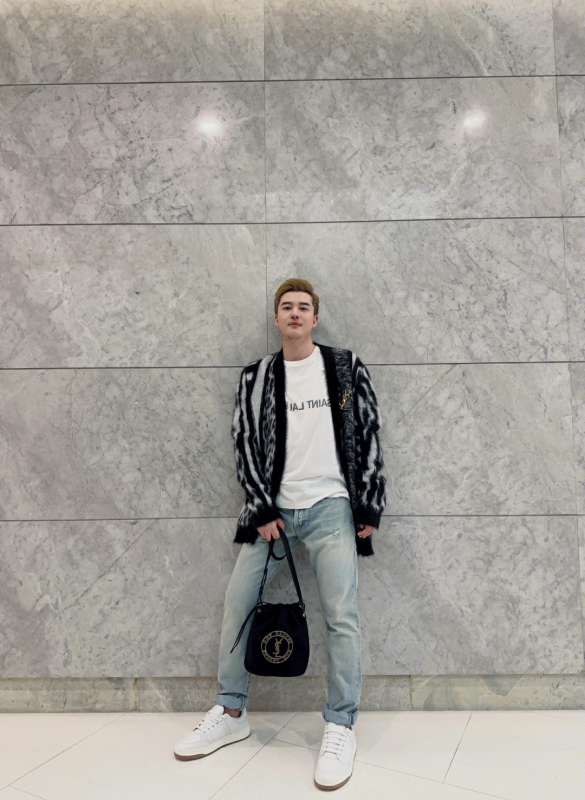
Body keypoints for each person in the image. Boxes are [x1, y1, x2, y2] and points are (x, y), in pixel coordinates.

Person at [173, 278, 387, 791]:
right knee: (238, 604)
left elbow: (368, 431)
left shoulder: (344, 368)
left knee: (342, 615)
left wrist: (369, 504)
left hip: (332, 506)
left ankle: (340, 725)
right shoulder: (257, 376)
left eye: (303, 307)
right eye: (287, 306)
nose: (295, 313)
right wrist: (261, 506)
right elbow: (244, 441)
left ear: (315, 318)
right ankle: (231, 711)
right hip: (274, 514)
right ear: (276, 318)